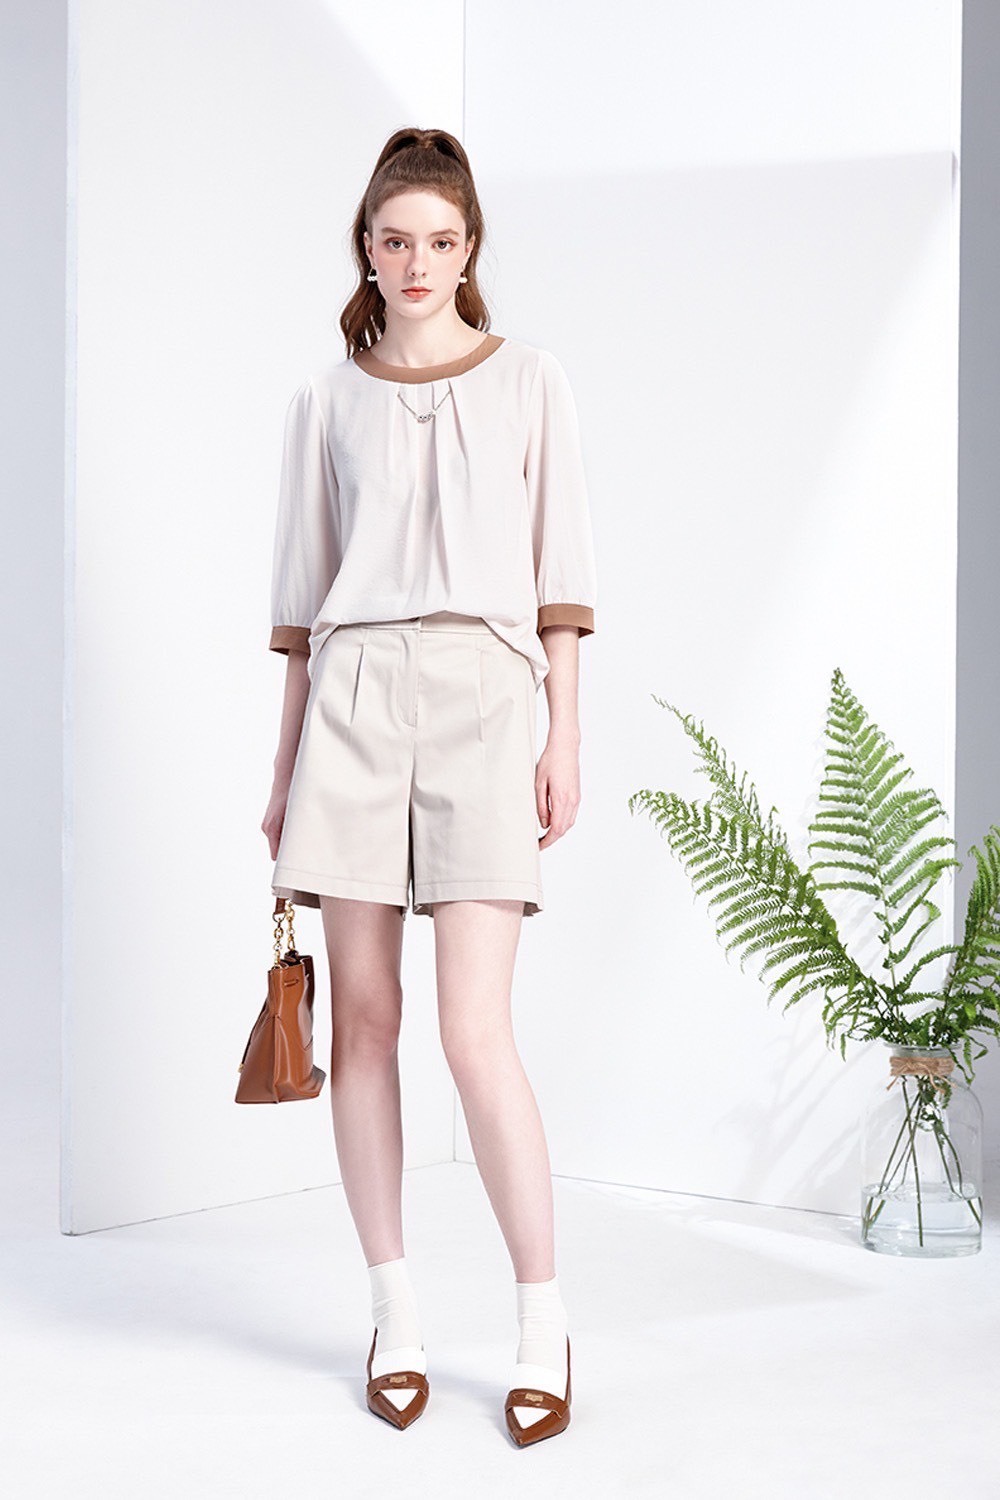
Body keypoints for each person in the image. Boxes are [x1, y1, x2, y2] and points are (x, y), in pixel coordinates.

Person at [261, 126, 597, 1447]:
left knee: (473, 1032)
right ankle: (394, 1312)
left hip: (484, 699)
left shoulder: (530, 381)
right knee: (363, 1022)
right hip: (349, 704)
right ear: (366, 247)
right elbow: (302, 608)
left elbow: (561, 581)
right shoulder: (326, 401)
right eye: (395, 240)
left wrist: (565, 737)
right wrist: (282, 769)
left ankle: (541, 1320)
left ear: (469, 250)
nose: (416, 263)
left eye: (440, 241)